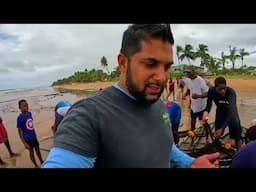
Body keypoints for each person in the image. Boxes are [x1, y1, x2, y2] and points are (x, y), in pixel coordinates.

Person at [43, 24, 219, 168]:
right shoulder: (89, 115)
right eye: (150, 64)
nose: (162, 77)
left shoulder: (158, 104)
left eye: (166, 67)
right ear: (123, 63)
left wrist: (190, 163)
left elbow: (165, 146)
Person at [202, 77, 243, 150]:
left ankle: (239, 152)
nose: (223, 91)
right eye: (220, 89)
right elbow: (209, 103)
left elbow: (231, 112)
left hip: (231, 113)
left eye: (224, 88)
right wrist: (206, 112)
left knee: (237, 134)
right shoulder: (211, 91)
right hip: (220, 112)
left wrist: (222, 128)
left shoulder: (231, 93)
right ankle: (217, 149)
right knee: (217, 133)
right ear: (215, 88)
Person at [17, 99, 44, 168]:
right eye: (24, 106)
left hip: (34, 136)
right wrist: (24, 143)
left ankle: (41, 161)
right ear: (20, 108)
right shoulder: (19, 118)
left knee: (38, 150)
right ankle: (35, 165)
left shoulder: (29, 114)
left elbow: (30, 125)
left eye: (27, 105)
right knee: (31, 152)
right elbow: (20, 132)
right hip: (27, 139)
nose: (26, 107)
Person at [183, 66, 209, 131]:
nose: (187, 74)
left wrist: (198, 96)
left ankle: (207, 136)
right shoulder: (188, 80)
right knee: (192, 121)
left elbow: (207, 93)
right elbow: (189, 89)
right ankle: (192, 136)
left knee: (203, 122)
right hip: (193, 106)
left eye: (189, 72)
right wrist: (185, 94)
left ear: (194, 72)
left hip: (201, 107)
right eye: (186, 73)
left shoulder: (200, 81)